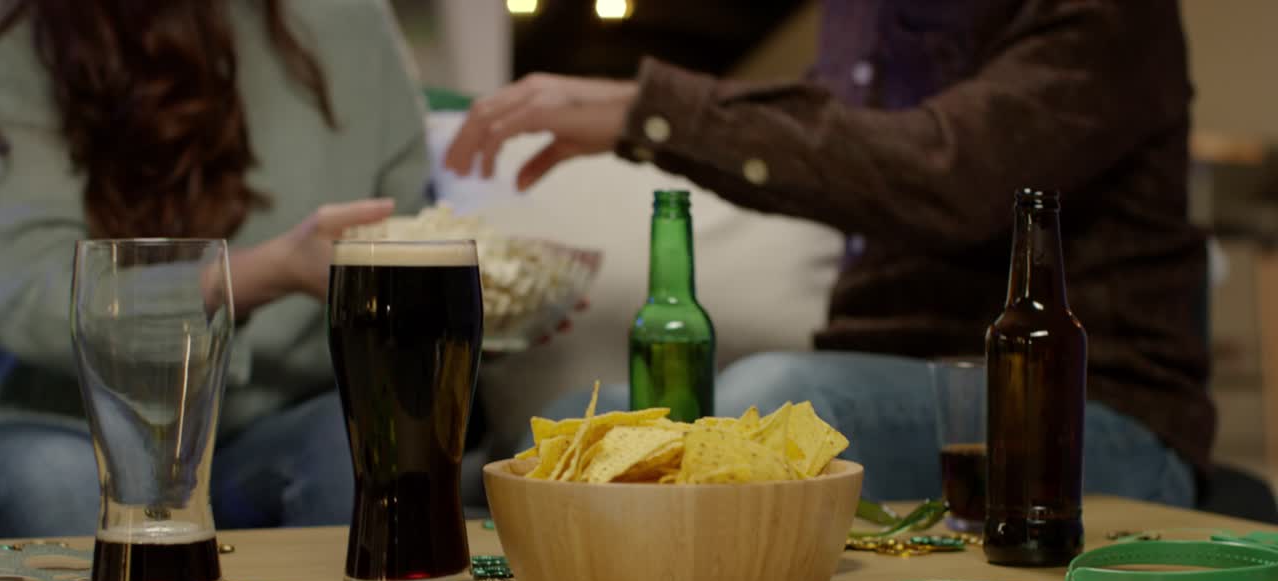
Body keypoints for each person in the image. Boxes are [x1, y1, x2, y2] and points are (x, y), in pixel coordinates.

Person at [445, 0, 1213, 507]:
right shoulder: (863, 13)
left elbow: (947, 173)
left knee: (778, 400)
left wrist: (652, 114)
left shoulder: (1108, 13)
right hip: (878, 375)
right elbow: (836, 152)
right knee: (567, 434)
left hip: (1077, 411)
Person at [0, 0, 428, 536]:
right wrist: (265, 273)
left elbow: (415, 232)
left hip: (281, 420)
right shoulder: (25, 37)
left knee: (364, 445)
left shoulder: (349, 22)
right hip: (77, 425)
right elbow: (30, 293)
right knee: (57, 484)